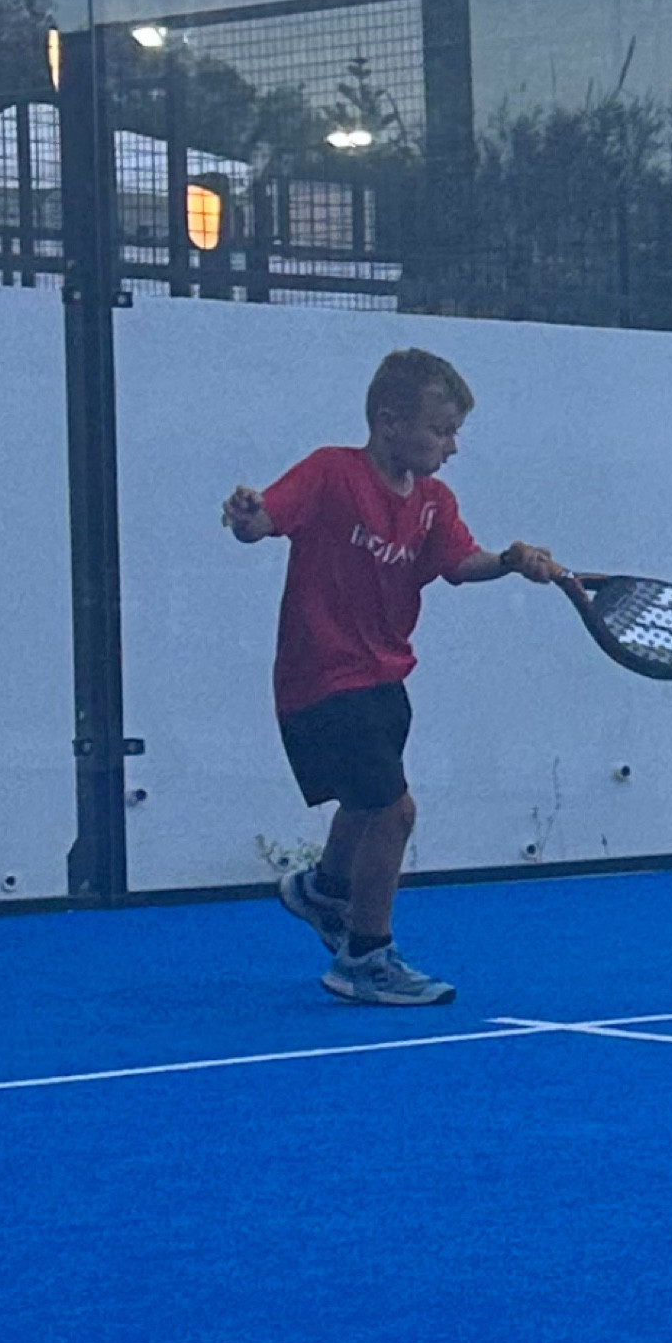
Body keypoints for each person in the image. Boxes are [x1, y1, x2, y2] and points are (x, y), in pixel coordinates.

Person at [221, 347, 554, 1006]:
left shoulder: (433, 502)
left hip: (384, 677)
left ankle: (324, 891)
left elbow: (460, 563)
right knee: (394, 812)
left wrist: (512, 560)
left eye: (455, 432)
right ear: (389, 422)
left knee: (366, 802)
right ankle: (364, 958)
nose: (452, 446)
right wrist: (246, 514)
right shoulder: (331, 472)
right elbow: (262, 522)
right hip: (321, 677)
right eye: (441, 430)